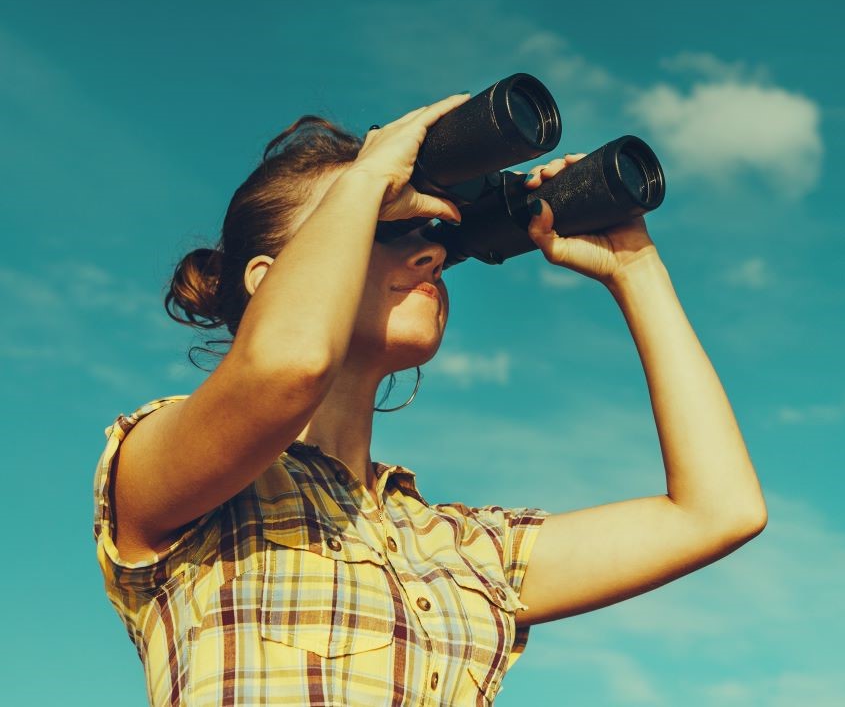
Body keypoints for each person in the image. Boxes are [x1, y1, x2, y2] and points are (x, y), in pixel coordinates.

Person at [92, 93, 768, 705]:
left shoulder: (463, 551)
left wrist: (634, 268)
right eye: (388, 225)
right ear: (267, 281)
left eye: (437, 237)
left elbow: (720, 511)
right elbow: (285, 366)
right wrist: (364, 180)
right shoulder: (177, 483)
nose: (432, 257)